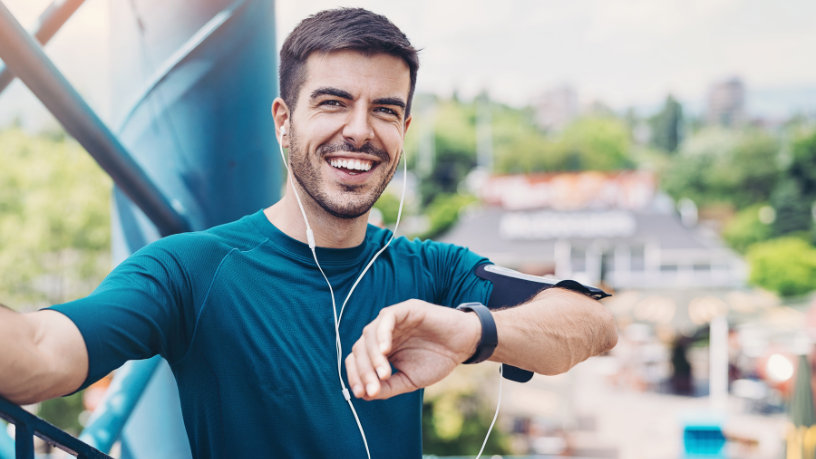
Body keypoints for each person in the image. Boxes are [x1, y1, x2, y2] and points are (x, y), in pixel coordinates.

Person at [0, 8, 617, 458]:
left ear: (404, 130)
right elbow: (41, 354)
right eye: (332, 103)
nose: (361, 131)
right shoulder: (189, 270)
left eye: (385, 110)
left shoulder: (430, 269)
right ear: (283, 120)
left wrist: (471, 332)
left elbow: (593, 323)